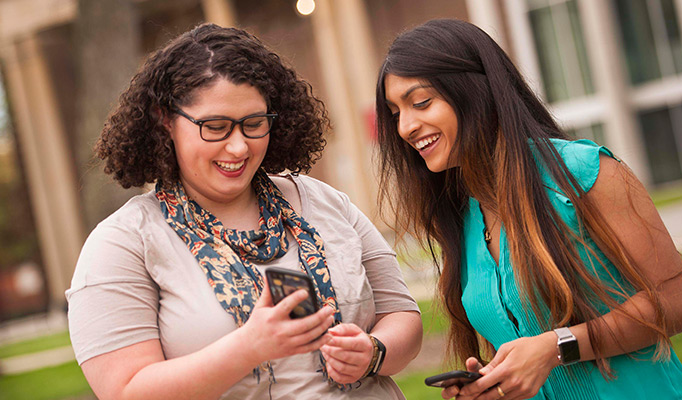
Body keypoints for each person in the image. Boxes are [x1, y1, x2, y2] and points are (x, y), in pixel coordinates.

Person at [65, 23, 422, 400]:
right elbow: (124, 391)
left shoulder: (324, 203)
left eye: (254, 124)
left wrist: (373, 352)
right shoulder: (122, 244)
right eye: (215, 127)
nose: (238, 148)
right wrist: (247, 348)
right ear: (164, 120)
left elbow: (402, 316)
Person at [375, 18, 682, 400]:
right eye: (395, 114)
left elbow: (676, 299)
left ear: (475, 91)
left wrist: (558, 346)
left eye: (421, 102)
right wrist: (493, 383)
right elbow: (521, 350)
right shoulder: (462, 217)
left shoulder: (584, 173)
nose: (406, 126)